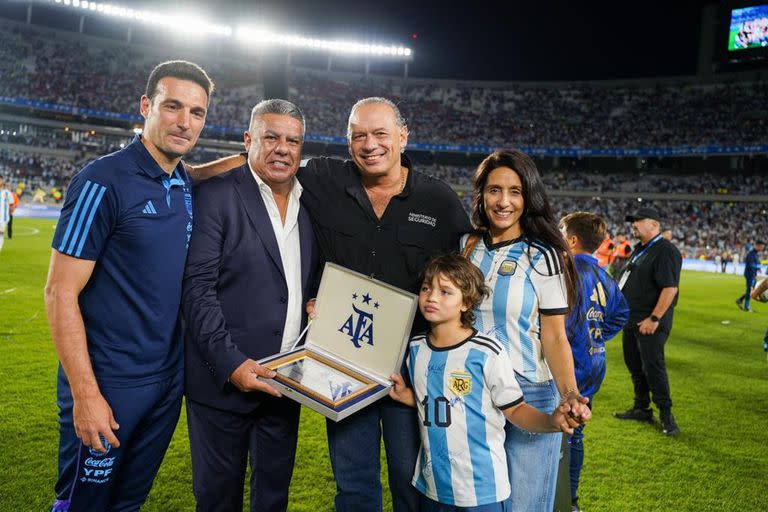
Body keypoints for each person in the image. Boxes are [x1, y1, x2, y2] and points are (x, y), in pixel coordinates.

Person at [194, 97, 471, 511]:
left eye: (380, 134)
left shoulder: (439, 200)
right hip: (342, 365)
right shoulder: (324, 178)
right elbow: (266, 160)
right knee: (354, 485)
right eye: (358, 135)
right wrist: (192, 174)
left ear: (403, 136)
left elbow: (466, 272)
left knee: (410, 481)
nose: (370, 144)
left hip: (408, 373)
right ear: (347, 141)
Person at [44, 60, 215, 512]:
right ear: (146, 106)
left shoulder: (182, 183)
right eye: (173, 106)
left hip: (165, 385)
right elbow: (59, 293)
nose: (184, 121)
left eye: (197, 112)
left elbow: (200, 173)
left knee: (127, 504)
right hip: (110, 383)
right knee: (82, 504)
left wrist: (253, 155)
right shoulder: (102, 181)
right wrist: (85, 396)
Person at [181, 99, 322, 512]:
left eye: (293, 140)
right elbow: (197, 289)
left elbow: (300, 279)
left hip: (284, 383)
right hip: (223, 383)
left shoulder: (310, 201)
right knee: (218, 499)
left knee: (273, 499)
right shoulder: (218, 194)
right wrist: (233, 364)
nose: (283, 148)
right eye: (271, 137)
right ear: (248, 140)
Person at [389, 254, 574, 511]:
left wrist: (551, 421)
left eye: (445, 292)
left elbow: (516, 410)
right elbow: (438, 401)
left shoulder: (487, 352)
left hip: (481, 491)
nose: (431, 297)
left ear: (466, 302)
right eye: (426, 288)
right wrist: (407, 396)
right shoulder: (416, 348)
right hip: (432, 486)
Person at [460, 149, 590, 512]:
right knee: (478, 502)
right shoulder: (466, 247)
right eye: (494, 190)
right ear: (481, 195)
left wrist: (570, 395)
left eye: (515, 191)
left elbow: (554, 335)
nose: (503, 201)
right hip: (474, 390)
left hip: (529, 389)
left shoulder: (543, 254)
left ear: (528, 197)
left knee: (524, 505)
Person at [559, 212, 629, 512]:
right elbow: (621, 314)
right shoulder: (605, 276)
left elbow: (557, 323)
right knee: (575, 433)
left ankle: (551, 496)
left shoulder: (565, 270)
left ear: (572, 239)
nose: (559, 236)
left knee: (551, 431)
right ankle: (571, 501)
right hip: (593, 363)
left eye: (562, 232)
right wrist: (596, 336)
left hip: (567, 364)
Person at [614, 206, 682, 436]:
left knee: (653, 367)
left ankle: (666, 415)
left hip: (650, 322)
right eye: (633, 221)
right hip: (632, 320)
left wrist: (654, 318)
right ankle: (642, 407)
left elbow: (670, 288)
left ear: (654, 224)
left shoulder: (665, 250)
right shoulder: (640, 249)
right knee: (634, 365)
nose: (633, 224)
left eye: (638, 220)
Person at [736, 241, 765, 312]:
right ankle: (747, 307)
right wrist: (759, 267)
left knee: (752, 290)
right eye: (762, 246)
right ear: (758, 245)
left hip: (752, 275)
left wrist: (758, 269)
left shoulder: (755, 254)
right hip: (750, 275)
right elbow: (751, 265)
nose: (762, 248)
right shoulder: (751, 254)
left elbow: (754, 265)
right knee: (750, 290)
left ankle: (740, 300)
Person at [0, 176, 12, 252]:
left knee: (0, 233)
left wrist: (9, 213)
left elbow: (12, 204)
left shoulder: (7, 193)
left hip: (3, 218)